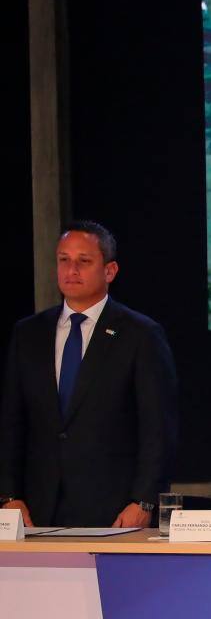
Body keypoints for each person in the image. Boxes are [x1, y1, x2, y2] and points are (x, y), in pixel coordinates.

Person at [0, 221, 177, 527]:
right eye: (63, 260)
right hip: (37, 508)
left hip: (114, 510)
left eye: (83, 261)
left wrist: (144, 500)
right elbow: (11, 422)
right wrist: (8, 495)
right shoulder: (28, 334)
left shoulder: (140, 334)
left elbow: (158, 427)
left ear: (110, 271)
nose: (71, 270)